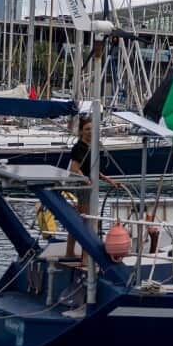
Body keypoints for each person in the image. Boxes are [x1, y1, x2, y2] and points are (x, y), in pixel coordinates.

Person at [63, 113, 120, 263]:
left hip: (89, 187)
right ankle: (85, 257)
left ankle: (72, 253)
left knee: (81, 221)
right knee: (86, 223)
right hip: (83, 189)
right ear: (81, 131)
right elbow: (75, 168)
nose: (90, 132)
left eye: (92, 129)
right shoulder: (79, 148)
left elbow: (93, 169)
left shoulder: (91, 147)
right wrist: (86, 180)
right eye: (87, 129)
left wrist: (108, 180)